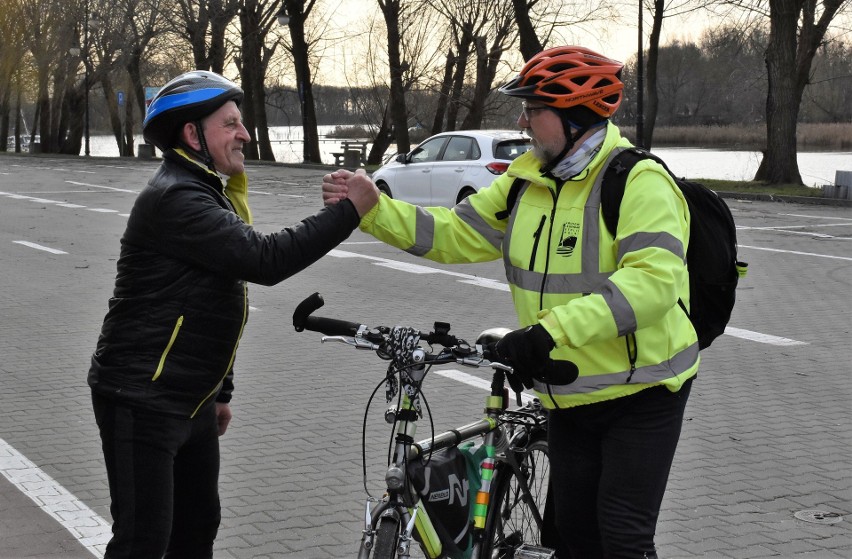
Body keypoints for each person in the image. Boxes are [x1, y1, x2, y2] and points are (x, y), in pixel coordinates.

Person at [322, 46, 697, 559]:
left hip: (642, 392)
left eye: (533, 110)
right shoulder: (526, 182)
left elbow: (652, 283)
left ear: (574, 116)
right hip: (567, 394)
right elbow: (455, 232)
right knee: (575, 539)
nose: (522, 121)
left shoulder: (636, 181)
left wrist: (547, 334)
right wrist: (375, 209)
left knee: (623, 537)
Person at [88, 70, 377, 558]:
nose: (244, 134)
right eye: (231, 124)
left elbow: (216, 302)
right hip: (141, 398)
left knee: (198, 529)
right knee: (142, 540)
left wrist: (220, 391)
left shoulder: (202, 189)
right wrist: (350, 211)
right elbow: (264, 260)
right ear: (192, 134)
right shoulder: (175, 198)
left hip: (192, 398)